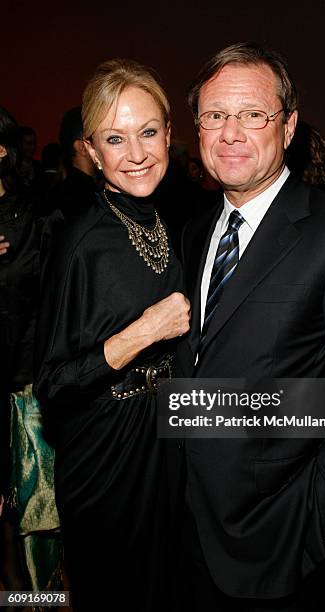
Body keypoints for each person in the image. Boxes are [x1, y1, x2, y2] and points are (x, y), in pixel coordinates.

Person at [176, 42, 325, 611]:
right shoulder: (193, 233)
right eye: (215, 116)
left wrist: (314, 525)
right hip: (187, 531)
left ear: (289, 125)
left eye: (253, 115)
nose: (231, 133)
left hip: (282, 545)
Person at [34, 59, 190, 610]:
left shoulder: (171, 218)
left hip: (165, 440)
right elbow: (51, 384)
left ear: (170, 134)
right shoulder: (82, 242)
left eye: (149, 132)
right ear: (92, 151)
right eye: (115, 139)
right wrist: (141, 333)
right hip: (106, 456)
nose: (137, 153)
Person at [0, 107, 62, 595]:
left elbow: (39, 307)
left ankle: (31, 597)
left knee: (28, 509)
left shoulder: (34, 221)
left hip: (20, 385)